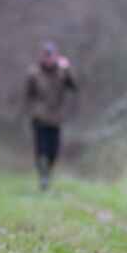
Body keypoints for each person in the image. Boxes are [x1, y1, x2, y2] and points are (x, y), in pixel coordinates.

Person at [23, 42, 78, 190]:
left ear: (56, 56)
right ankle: (43, 177)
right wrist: (31, 111)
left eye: (51, 55)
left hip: (56, 118)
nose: (48, 59)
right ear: (42, 56)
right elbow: (28, 94)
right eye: (46, 55)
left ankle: (48, 173)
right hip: (39, 118)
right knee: (41, 150)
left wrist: (67, 68)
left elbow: (74, 86)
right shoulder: (34, 73)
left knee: (53, 151)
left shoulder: (62, 72)